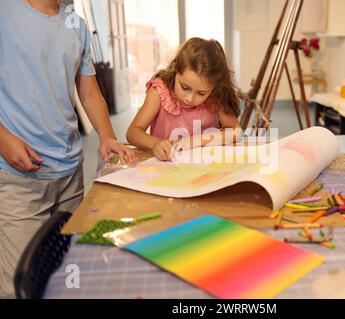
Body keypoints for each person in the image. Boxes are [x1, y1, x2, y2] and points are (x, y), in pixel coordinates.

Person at [0, 0, 135, 298]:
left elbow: (88, 92)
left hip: (71, 172)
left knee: (68, 270)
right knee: (22, 284)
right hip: (18, 179)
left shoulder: (77, 25)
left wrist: (107, 135)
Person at [126, 37, 242, 161]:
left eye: (201, 93)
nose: (190, 99)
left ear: (214, 87)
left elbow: (235, 131)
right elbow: (133, 133)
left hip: (202, 168)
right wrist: (155, 143)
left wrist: (193, 141)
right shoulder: (159, 92)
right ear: (175, 69)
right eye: (185, 87)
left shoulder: (216, 96)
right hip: (164, 169)